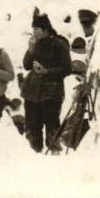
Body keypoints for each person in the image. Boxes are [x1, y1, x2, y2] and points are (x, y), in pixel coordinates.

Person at [21, 13, 72, 153]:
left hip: (51, 94)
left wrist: (47, 72)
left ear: (45, 30)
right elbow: (26, 65)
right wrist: (30, 49)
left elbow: (67, 69)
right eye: (33, 29)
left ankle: (54, 158)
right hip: (32, 93)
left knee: (52, 128)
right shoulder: (34, 44)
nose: (34, 32)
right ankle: (34, 154)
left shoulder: (59, 45)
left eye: (37, 29)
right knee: (32, 128)